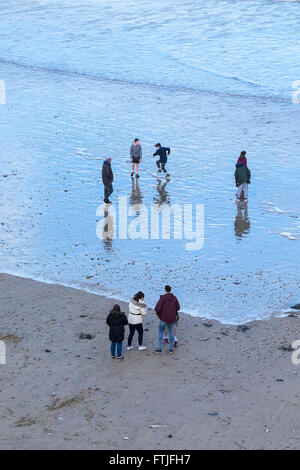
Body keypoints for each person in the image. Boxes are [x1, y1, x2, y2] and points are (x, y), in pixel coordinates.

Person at [153, 285, 180, 354]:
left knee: (160, 332)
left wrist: (159, 314)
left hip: (163, 318)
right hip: (172, 318)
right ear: (170, 290)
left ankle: (159, 348)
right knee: (171, 333)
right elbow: (178, 307)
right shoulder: (174, 298)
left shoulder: (162, 298)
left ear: (165, 290)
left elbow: (157, 308)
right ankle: (171, 348)